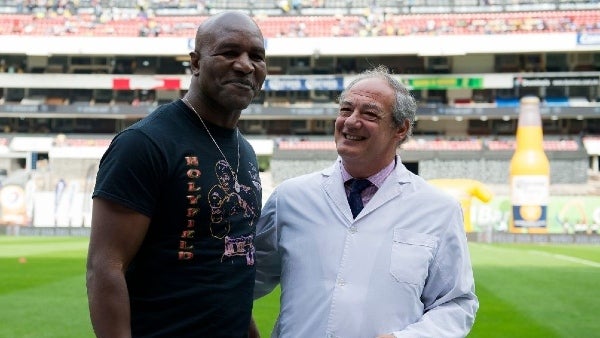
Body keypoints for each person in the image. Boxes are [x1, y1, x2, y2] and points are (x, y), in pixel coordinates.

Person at [253, 66, 478, 337]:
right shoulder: (289, 198)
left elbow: (456, 303)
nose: (351, 121)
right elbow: (243, 283)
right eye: (346, 110)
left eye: (369, 114)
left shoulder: (439, 210)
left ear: (401, 129)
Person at [86, 11, 266, 338]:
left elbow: (229, 276)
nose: (245, 65)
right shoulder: (144, 144)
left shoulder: (246, 152)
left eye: (257, 56)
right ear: (195, 63)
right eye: (229, 52)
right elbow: (104, 269)